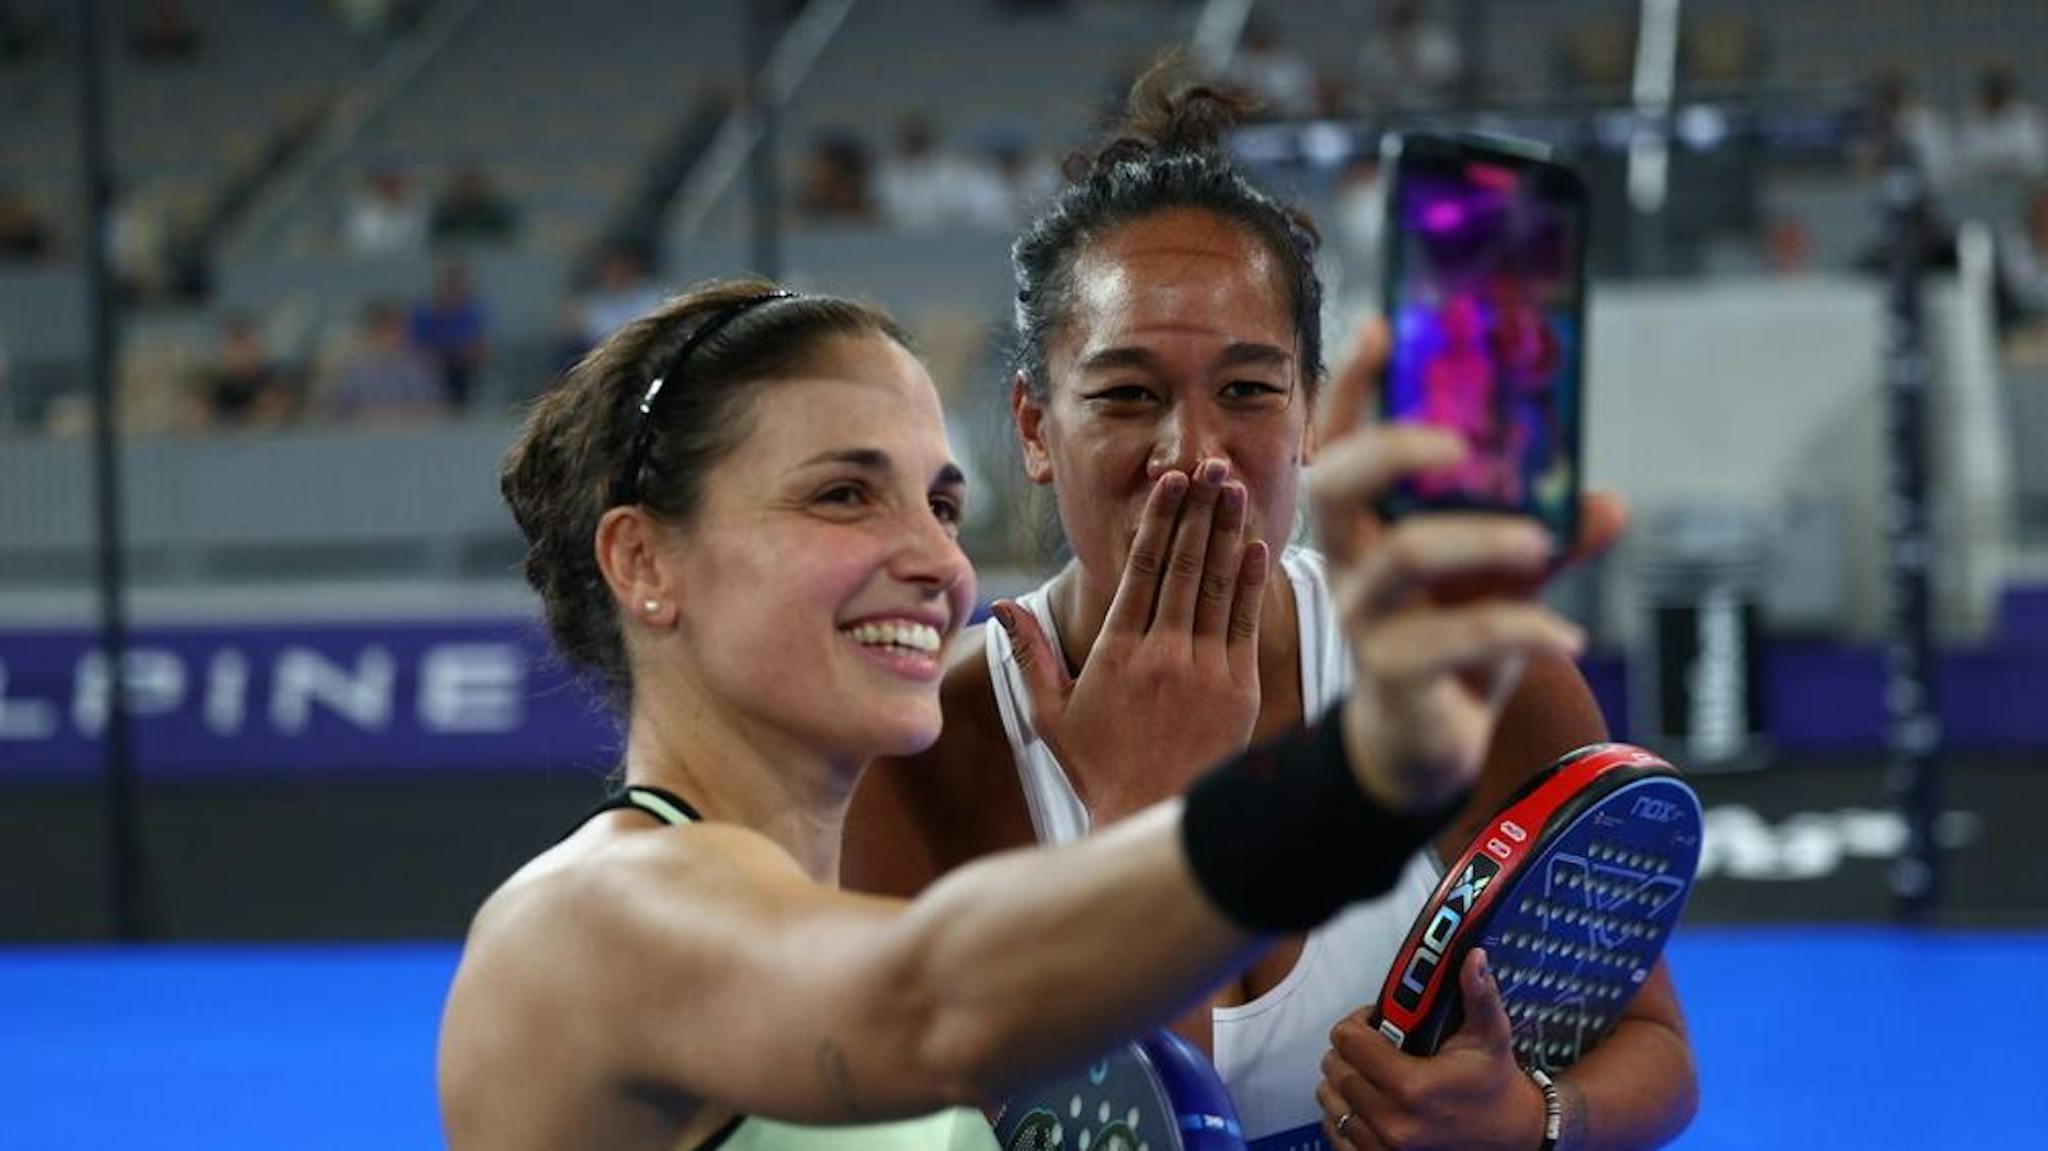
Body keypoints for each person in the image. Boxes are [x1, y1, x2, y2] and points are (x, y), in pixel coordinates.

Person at [438, 278, 1596, 1150]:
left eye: (940, 501)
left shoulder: (835, 905)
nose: (934, 559)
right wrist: (1357, 773)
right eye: (843, 493)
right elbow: (930, 1003)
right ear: (645, 557)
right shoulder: (591, 920)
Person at [843, 65, 1697, 1150]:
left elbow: (1655, 1050)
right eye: (1123, 393)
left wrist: (1526, 1115)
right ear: (1030, 426)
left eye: (1247, 389)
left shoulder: (1457, 676)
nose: (1191, 454)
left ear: (1304, 413)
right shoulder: (921, 748)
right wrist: (1145, 820)